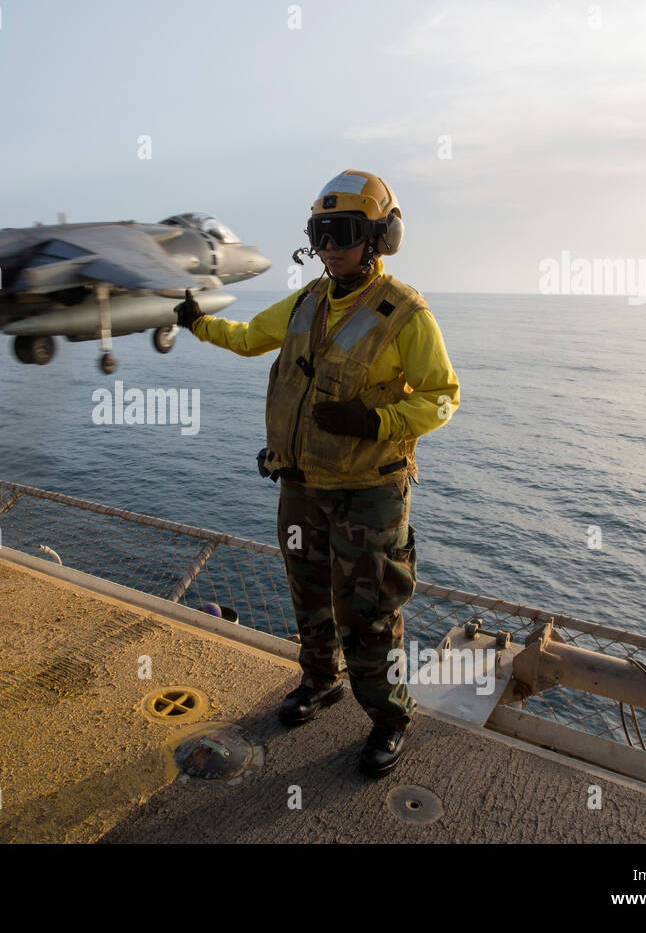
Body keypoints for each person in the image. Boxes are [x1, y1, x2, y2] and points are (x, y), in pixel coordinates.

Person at [174, 170, 460, 778]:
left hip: (369, 493)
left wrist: (376, 420)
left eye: (345, 233)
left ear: (381, 237)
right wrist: (198, 322)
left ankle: (388, 721)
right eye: (320, 232)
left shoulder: (403, 313)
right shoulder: (307, 302)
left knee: (369, 612)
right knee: (308, 597)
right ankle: (320, 682)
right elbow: (252, 336)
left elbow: (443, 397)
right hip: (301, 486)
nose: (330, 246)